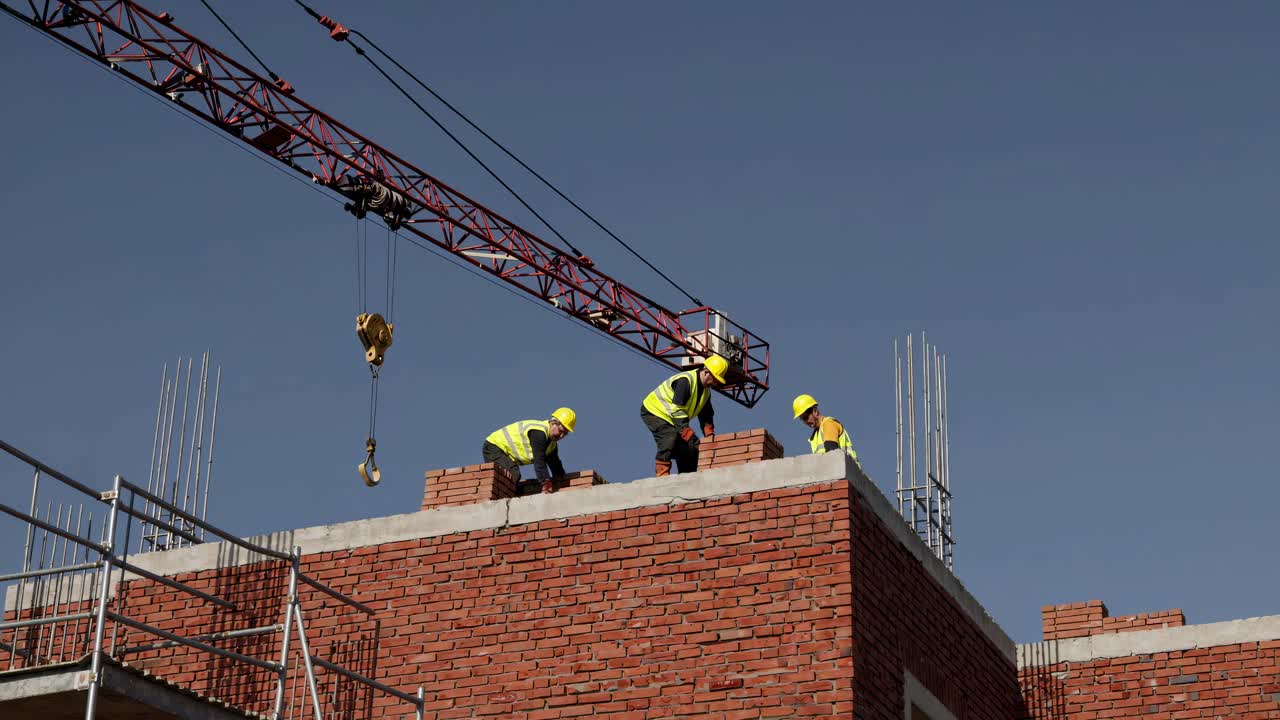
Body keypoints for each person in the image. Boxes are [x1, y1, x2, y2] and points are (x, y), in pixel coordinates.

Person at [640, 355, 728, 476]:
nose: (716, 383)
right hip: (654, 411)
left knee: (691, 448)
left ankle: (687, 478)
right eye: (715, 379)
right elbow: (677, 410)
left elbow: (706, 414)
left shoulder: (706, 392)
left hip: (672, 418)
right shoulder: (685, 380)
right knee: (670, 436)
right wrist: (687, 433)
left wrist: (709, 435)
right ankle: (662, 475)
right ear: (706, 372)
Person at [483, 408, 576, 493]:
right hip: (494, 447)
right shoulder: (539, 432)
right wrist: (545, 483)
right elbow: (539, 460)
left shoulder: (552, 445)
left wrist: (563, 483)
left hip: (504, 452)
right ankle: (495, 497)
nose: (561, 436)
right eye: (560, 431)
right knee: (513, 475)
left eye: (565, 434)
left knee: (512, 477)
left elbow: (555, 465)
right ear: (553, 423)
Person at [791, 394, 858, 462]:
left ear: (815, 411)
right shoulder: (815, 436)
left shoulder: (828, 424)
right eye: (803, 420)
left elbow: (832, 452)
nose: (806, 422)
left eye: (806, 418)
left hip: (848, 470)